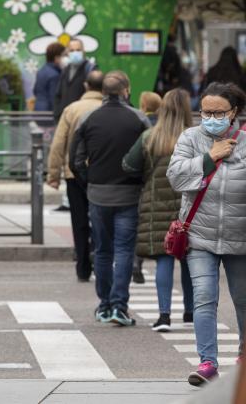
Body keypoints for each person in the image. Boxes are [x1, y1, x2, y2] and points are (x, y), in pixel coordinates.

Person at [166, 82, 246, 386]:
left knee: (243, 299)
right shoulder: (190, 137)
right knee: (203, 297)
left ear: (233, 112)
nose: (211, 117)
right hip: (200, 235)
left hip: (240, 236)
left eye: (219, 112)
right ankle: (207, 362)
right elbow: (175, 177)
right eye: (206, 112)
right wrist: (208, 157)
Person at [69, 70, 150, 326]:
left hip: (97, 193)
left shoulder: (88, 118)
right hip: (129, 193)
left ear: (103, 92)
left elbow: (76, 159)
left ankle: (104, 305)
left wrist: (88, 181)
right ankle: (119, 306)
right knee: (124, 250)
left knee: (102, 250)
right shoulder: (139, 118)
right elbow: (148, 154)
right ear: (126, 90)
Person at [122, 89, 194, 332]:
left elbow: (128, 165)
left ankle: (164, 316)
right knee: (189, 259)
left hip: (155, 204)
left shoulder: (150, 137)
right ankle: (190, 311)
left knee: (165, 258)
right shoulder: (195, 138)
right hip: (190, 205)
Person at [47, 70, 104, 282]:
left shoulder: (71, 109)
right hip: (102, 174)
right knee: (101, 219)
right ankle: (100, 259)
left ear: (87, 86)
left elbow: (58, 143)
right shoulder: (107, 108)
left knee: (79, 221)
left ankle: (82, 267)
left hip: (74, 174)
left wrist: (53, 174)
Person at [131, 91, 162, 284]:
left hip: (144, 181)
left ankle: (137, 263)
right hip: (163, 183)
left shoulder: (140, 124)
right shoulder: (166, 124)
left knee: (139, 226)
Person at [53, 38, 96, 123]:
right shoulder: (65, 70)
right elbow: (58, 94)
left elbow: (94, 96)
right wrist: (57, 114)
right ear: (67, 53)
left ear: (83, 51)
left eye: (78, 50)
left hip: (82, 120)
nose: (75, 53)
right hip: (65, 119)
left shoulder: (90, 69)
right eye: (72, 50)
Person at [33, 42, 65, 112]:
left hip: (37, 110)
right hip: (48, 113)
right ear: (57, 58)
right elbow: (54, 98)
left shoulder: (41, 71)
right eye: (64, 55)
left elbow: (35, 91)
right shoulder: (55, 75)